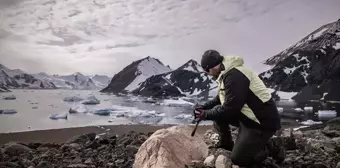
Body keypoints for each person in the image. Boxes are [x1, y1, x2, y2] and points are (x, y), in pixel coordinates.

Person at [194, 50, 284, 167]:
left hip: (260, 122)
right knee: (217, 112)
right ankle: (226, 146)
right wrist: (204, 107)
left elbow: (230, 108)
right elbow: (221, 98)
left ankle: (271, 148)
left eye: (207, 71)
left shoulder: (234, 76)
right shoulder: (226, 72)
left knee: (239, 159)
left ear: (210, 68)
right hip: (248, 116)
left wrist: (205, 114)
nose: (208, 74)